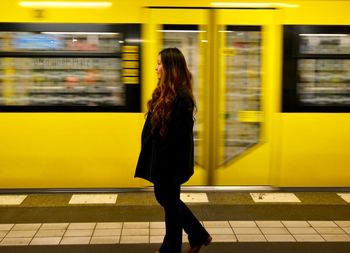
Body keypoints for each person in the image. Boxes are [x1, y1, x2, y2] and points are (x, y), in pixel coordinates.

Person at [135, 48, 212, 253]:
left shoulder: (182, 98)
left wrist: (163, 164)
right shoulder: (165, 92)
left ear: (170, 67)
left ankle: (177, 245)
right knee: (168, 201)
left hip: (169, 163)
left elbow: (180, 139)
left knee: (168, 201)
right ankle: (193, 237)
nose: (155, 67)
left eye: (159, 63)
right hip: (162, 160)